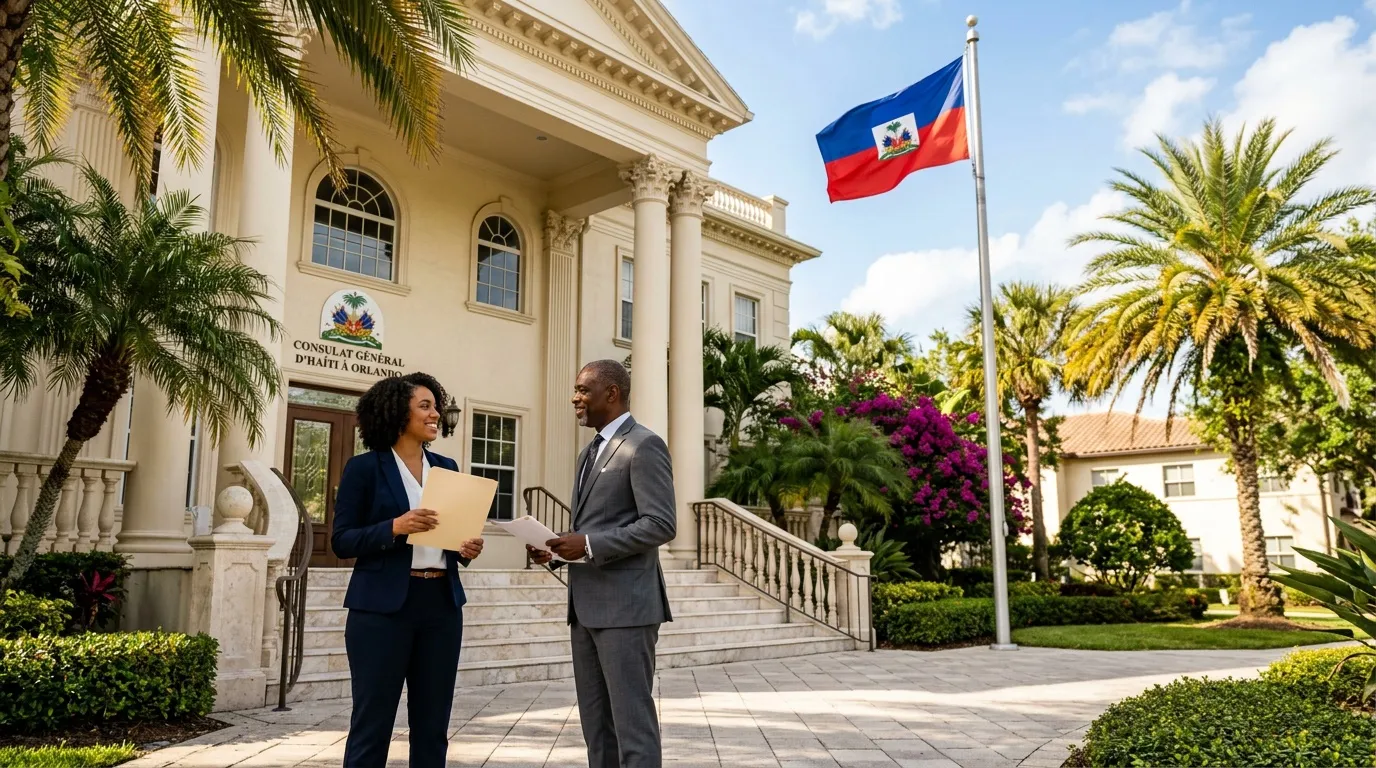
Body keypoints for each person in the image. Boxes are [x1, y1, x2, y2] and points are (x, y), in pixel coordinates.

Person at [528, 359, 676, 768]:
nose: (575, 398)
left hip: (627, 609)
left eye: (583, 390)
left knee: (632, 725)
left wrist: (589, 543)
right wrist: (555, 550)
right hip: (585, 607)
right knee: (597, 727)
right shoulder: (586, 453)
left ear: (611, 393)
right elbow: (594, 526)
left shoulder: (644, 444)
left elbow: (661, 524)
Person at [332, 372, 484, 768]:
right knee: (373, 724)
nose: (437, 414)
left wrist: (466, 547)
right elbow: (342, 540)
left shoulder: (446, 466)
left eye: (436, 406)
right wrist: (394, 527)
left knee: (433, 727)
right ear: (399, 413)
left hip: (441, 606)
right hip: (381, 611)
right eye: (426, 406)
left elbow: (453, 539)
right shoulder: (364, 469)